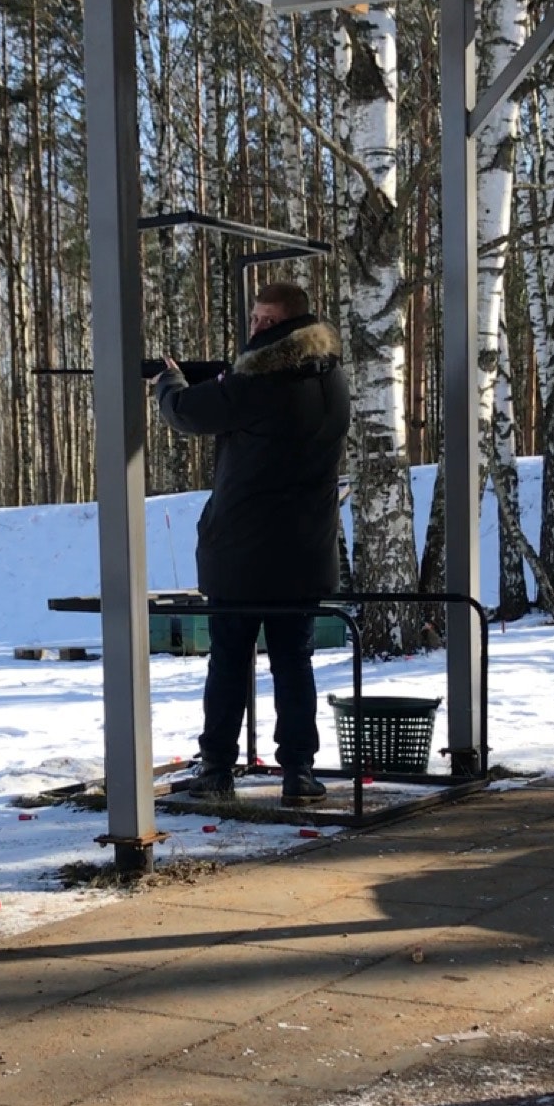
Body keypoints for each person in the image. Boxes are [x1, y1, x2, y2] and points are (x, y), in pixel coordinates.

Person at [155, 281, 349, 804]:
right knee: (293, 662)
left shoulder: (263, 381)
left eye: (268, 320)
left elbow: (186, 412)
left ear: (290, 324)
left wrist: (169, 381)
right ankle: (299, 772)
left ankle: (217, 768)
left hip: (242, 553)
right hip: (304, 551)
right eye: (256, 316)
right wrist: (221, 377)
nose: (257, 326)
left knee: (229, 663)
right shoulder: (329, 376)